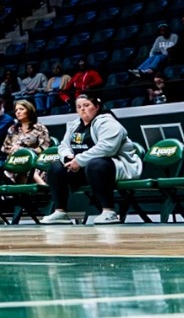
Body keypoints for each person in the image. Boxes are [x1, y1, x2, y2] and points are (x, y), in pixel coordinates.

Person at [38, 93, 143, 224]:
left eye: (87, 105)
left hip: (116, 167)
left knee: (96, 164)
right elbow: (63, 145)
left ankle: (109, 211)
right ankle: (60, 212)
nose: (82, 109)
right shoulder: (74, 125)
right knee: (56, 167)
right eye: (79, 106)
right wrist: (67, 157)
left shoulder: (109, 123)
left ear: (97, 106)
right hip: (83, 168)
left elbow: (106, 148)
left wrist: (79, 160)